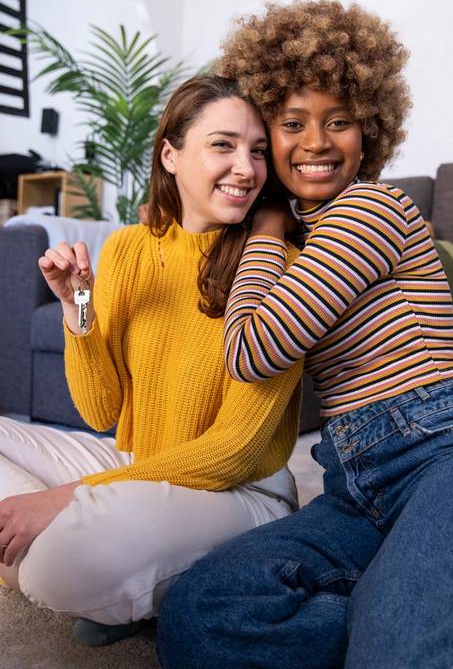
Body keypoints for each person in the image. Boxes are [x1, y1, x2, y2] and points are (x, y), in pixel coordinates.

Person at [156, 0, 453, 669]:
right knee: (199, 614)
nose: (317, 142)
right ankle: (414, 615)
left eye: (340, 121)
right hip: (354, 487)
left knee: (410, 657)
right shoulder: (304, 246)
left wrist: (267, 224)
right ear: (263, 133)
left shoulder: (370, 208)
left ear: (371, 129)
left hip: (451, 456)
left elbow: (253, 349)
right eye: (291, 122)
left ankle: (421, 624)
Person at [0, 74, 303, 647]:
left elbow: (234, 449)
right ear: (171, 153)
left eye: (258, 151)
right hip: (144, 462)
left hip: (242, 490)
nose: (246, 167)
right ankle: (136, 576)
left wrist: (70, 497)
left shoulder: (274, 262)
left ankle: (114, 567)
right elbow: (99, 409)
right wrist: (75, 307)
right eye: (223, 145)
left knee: (54, 564)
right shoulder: (130, 248)